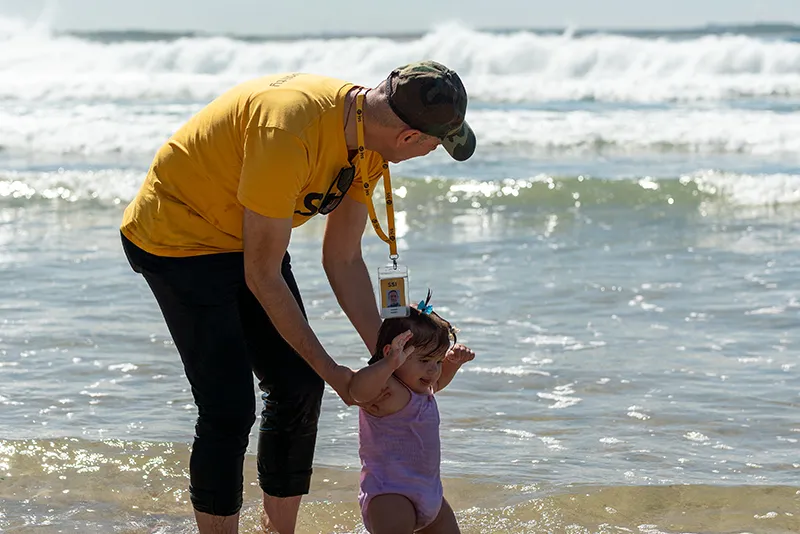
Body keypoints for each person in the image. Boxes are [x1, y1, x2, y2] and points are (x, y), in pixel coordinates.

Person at [119, 60, 476, 534]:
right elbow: (263, 276)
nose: (430, 153)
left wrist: (392, 359)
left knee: (297, 387)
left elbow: (343, 259)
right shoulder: (288, 132)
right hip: (180, 239)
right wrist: (336, 374)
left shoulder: (369, 142)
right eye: (434, 144)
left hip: (251, 238)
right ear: (409, 137)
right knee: (228, 407)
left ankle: (278, 531)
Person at [349, 295, 476, 534]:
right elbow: (357, 391)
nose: (433, 369)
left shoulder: (422, 389)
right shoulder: (387, 389)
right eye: (425, 360)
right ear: (393, 354)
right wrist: (388, 364)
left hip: (431, 495)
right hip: (390, 494)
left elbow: (438, 382)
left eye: (437, 361)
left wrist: (452, 364)